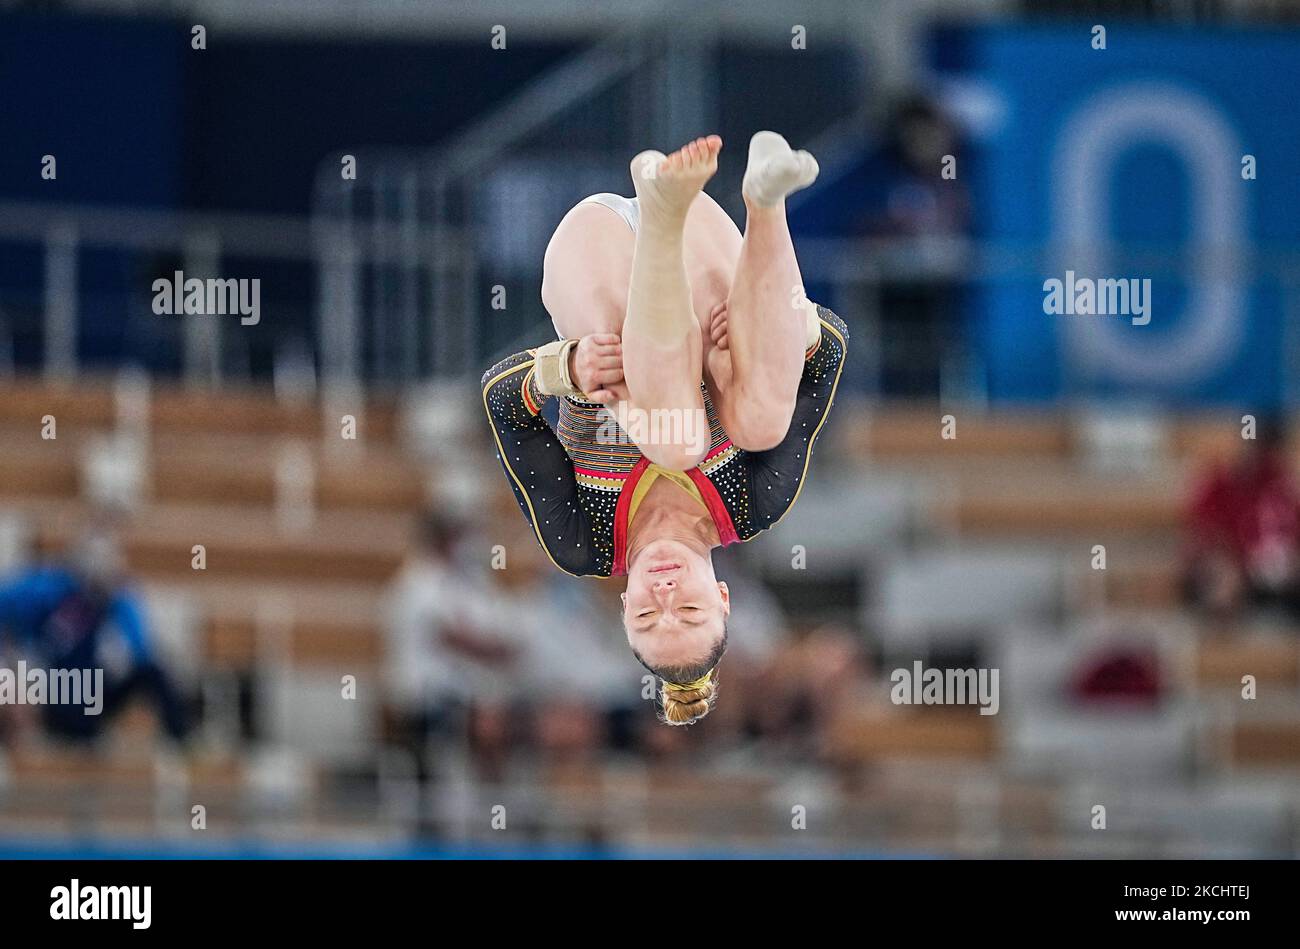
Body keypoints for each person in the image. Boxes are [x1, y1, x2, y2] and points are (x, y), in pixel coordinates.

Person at [481, 132, 849, 725]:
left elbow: (502, 403)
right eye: (692, 613)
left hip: (592, 257)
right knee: (755, 422)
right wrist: (788, 328)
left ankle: (660, 209)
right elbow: (830, 347)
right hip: (700, 251)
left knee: (678, 441)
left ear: (624, 605)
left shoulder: (583, 541)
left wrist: (562, 368)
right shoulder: (756, 502)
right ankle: (765, 200)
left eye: (648, 617)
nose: (666, 597)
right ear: (723, 599)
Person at [0, 531, 189, 744]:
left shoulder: (115, 599)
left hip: (91, 695)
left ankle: (183, 740)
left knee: (153, 672)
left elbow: (141, 651)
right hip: (50, 694)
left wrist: (120, 600)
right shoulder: (48, 589)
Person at [1183, 416, 1300, 619]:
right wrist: (1234, 562)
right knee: (1221, 576)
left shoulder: (1283, 483)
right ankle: (1222, 645)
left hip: (1284, 575)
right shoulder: (1217, 484)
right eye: (1251, 443)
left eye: (1264, 445)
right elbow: (1204, 537)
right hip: (1237, 572)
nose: (1255, 453)